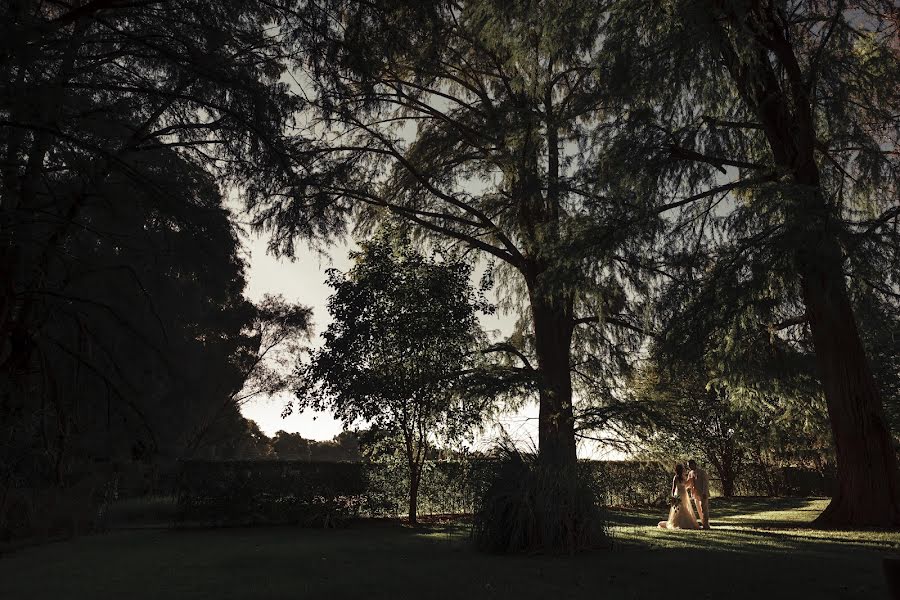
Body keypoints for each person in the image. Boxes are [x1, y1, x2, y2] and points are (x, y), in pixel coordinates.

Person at [658, 463, 699, 530]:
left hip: (683, 493)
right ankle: (679, 522)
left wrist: (691, 479)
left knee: (684, 507)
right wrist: (673, 496)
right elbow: (674, 487)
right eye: (682, 469)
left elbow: (684, 485)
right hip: (680, 493)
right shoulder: (677, 477)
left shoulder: (681, 477)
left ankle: (684, 522)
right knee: (680, 507)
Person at [687, 459, 710, 529]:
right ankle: (703, 523)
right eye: (689, 466)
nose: (690, 467)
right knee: (699, 510)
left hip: (703, 493)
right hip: (695, 494)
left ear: (694, 464)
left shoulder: (702, 472)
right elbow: (688, 483)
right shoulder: (690, 473)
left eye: (691, 465)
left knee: (704, 509)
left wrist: (704, 492)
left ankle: (706, 525)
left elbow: (705, 483)